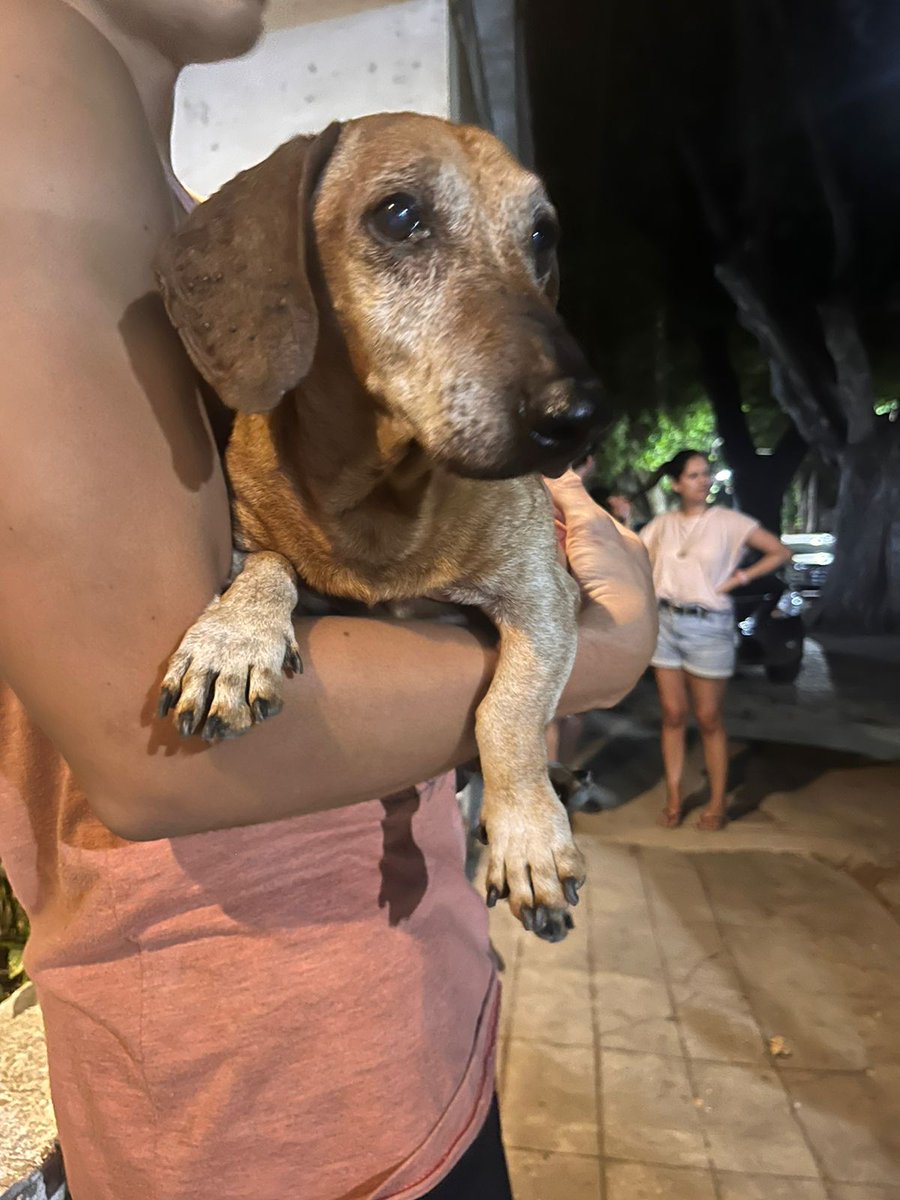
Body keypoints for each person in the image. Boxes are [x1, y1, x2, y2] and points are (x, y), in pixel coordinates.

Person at [0, 3, 657, 1198]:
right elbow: (152, 756)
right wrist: (606, 657)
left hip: (421, 1027)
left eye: (533, 239)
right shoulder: (28, 176)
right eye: (404, 223)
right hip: (243, 1104)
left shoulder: (172, 211)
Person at [639, 450, 790, 831]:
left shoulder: (728, 522)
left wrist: (739, 578)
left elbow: (779, 551)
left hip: (709, 628)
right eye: (693, 475)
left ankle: (718, 803)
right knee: (672, 715)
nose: (703, 481)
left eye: (706, 474)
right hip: (666, 623)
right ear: (676, 484)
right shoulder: (661, 525)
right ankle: (674, 799)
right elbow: (632, 556)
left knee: (708, 718)